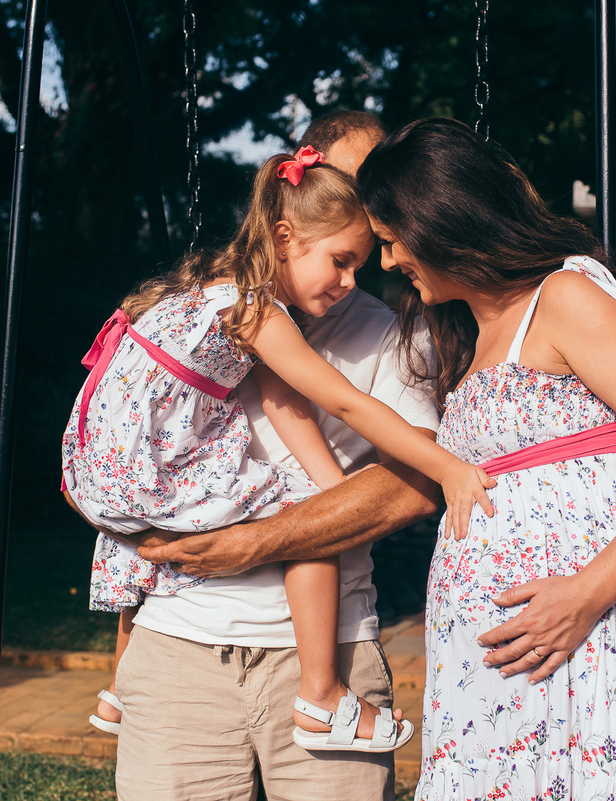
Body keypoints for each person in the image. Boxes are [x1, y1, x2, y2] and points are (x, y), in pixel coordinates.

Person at [63, 119, 492, 781]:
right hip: (178, 642)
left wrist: (277, 529)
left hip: (324, 634)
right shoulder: (251, 309)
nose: (366, 211)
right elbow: (333, 403)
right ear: (295, 214)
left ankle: (286, 689)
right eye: (349, 190)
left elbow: (355, 446)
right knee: (297, 500)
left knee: (305, 506)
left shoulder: (372, 328)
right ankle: (300, 695)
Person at [345, 117, 616, 800]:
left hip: (600, 635)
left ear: (439, 220)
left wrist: (585, 596)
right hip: (511, 674)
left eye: (391, 240)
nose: (386, 262)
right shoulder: (468, 335)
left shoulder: (563, 299)